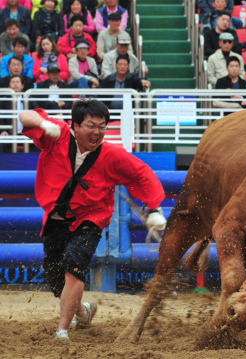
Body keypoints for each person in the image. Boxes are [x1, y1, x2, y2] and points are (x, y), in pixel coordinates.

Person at [19, 98, 165, 340]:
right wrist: (44, 123)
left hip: (91, 218)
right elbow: (25, 117)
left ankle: (62, 330)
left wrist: (154, 209)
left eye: (102, 126)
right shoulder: (57, 136)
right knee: (55, 278)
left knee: (73, 267)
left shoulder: (112, 155)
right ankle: (82, 310)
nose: (97, 131)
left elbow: (142, 174)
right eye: (91, 125)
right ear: (75, 126)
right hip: (57, 217)